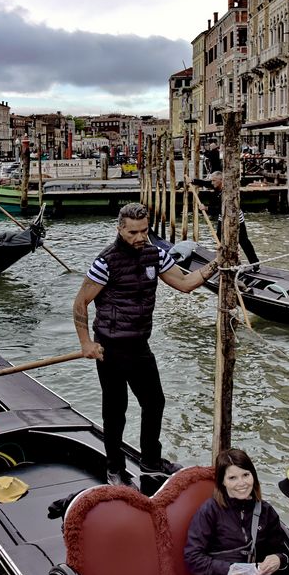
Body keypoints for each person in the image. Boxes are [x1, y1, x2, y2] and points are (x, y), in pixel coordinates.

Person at [73, 202, 221, 486]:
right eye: (132, 232)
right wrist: (86, 343)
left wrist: (216, 263)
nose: (139, 237)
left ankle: (151, 460)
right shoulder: (106, 261)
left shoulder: (155, 254)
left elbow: (185, 283)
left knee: (155, 403)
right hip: (110, 348)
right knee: (116, 410)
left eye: (144, 231)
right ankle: (114, 467)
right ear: (120, 229)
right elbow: (81, 303)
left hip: (140, 345)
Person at [184, 448, 289, 575]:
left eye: (246, 475)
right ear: (222, 482)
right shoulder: (209, 511)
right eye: (232, 478)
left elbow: (282, 552)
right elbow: (192, 557)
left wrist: (279, 559)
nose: (242, 483)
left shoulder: (266, 511)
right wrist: (230, 572)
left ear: (253, 476)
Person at [192, 171, 260, 269]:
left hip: (235, 217)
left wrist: (206, 208)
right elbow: (207, 183)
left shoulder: (228, 192)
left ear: (221, 180)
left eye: (214, 180)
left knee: (243, 241)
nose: (212, 182)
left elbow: (224, 209)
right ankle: (227, 260)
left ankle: (255, 264)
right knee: (220, 239)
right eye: (212, 180)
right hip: (222, 216)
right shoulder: (216, 185)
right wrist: (193, 181)